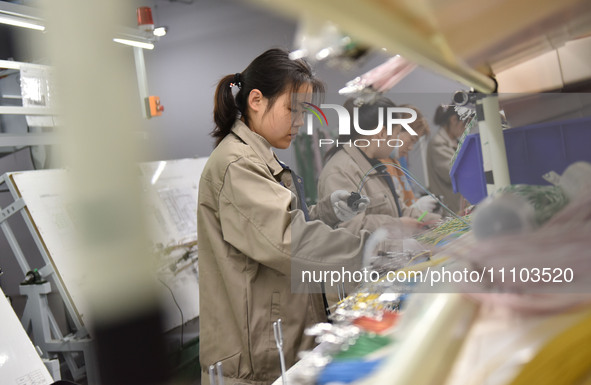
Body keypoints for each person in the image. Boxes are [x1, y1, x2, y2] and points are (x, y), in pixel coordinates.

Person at [197, 48, 369, 385]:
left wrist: (327, 212)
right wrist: (371, 249)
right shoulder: (237, 164)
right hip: (255, 366)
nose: (300, 122)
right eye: (293, 109)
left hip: (278, 346)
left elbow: (267, 229)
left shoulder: (257, 159)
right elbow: (287, 243)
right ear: (257, 101)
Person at [317, 97, 438, 239]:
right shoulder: (341, 171)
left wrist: (436, 221)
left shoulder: (375, 166)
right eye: (397, 133)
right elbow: (350, 228)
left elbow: (399, 210)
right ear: (382, 133)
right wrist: (398, 225)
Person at [377, 104, 440, 219]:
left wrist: (417, 205)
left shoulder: (394, 161)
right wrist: (416, 208)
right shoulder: (378, 163)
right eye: (411, 140)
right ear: (397, 129)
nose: (410, 148)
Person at [426, 104, 466, 214]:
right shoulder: (438, 143)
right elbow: (453, 173)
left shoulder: (455, 142)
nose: (467, 128)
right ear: (453, 120)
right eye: (465, 123)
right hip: (450, 209)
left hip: (458, 206)